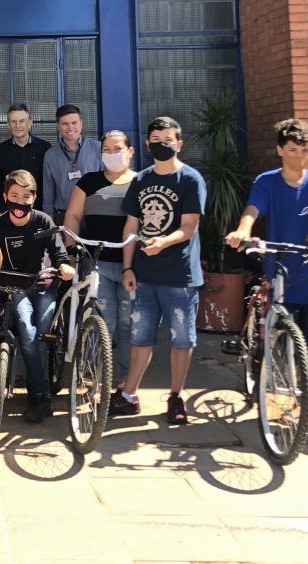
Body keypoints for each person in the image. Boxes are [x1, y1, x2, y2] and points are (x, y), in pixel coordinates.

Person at [225, 120, 308, 452]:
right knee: (280, 347)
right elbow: (252, 210)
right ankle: (285, 404)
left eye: (305, 150)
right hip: (280, 273)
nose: (299, 156)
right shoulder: (266, 182)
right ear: (281, 150)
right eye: (293, 150)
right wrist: (242, 230)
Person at [110, 116, 206, 426]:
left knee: (181, 340)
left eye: (168, 140)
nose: (161, 144)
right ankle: (128, 394)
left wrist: (163, 242)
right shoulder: (141, 180)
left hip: (179, 275)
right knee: (141, 337)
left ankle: (176, 395)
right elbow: (131, 225)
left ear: (179, 144)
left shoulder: (190, 179)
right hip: (145, 274)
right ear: (148, 143)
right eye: (156, 139)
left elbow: (189, 227)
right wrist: (127, 265)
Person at [0, 169, 74, 423]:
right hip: (15, 287)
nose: (20, 202)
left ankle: (36, 384)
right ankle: (40, 396)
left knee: (41, 336)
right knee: (29, 337)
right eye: (14, 195)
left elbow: (58, 251)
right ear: (5, 196)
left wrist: (63, 265)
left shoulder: (43, 221)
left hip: (44, 285)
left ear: (34, 198)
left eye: (26, 197)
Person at [64, 130, 138, 382]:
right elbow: (73, 216)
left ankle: (126, 385)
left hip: (133, 266)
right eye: (106, 149)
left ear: (130, 151)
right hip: (98, 264)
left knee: (129, 327)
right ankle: (95, 381)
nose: (111, 154)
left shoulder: (141, 183)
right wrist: (71, 250)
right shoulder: (89, 182)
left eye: (117, 149)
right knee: (102, 322)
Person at [41, 104, 102, 223]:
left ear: (81, 123)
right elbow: (48, 190)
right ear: (58, 126)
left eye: (74, 123)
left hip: (93, 213)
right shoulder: (50, 155)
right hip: (63, 215)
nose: (70, 128)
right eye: (65, 124)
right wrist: (49, 218)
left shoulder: (98, 148)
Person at [0, 103, 51, 210]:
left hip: (37, 210)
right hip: (9, 211)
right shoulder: (0, 150)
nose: (17, 126)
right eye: (13, 122)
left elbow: (48, 184)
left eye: (22, 121)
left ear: (30, 123)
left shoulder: (44, 148)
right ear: (8, 125)